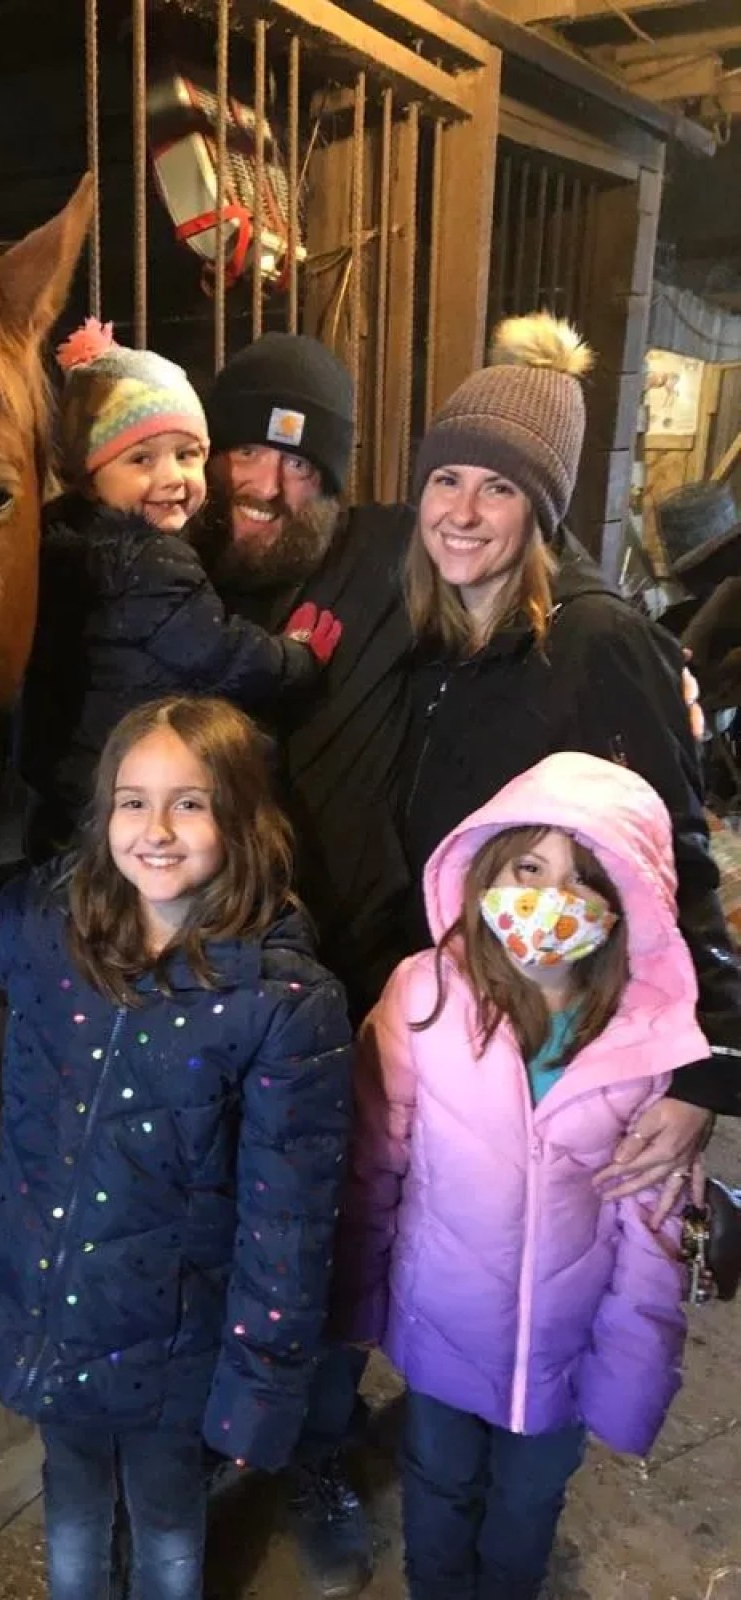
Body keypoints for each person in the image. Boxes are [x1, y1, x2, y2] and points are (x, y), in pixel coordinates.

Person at [0, 695, 353, 1600]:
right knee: (70, 1499)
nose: (156, 828)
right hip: (53, 1318)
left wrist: (258, 1389)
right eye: (132, 799)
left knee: (165, 1525)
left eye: (190, 803)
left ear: (243, 818)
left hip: (174, 1359)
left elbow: (289, 1228)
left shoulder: (282, 1004)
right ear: (103, 812)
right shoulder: (52, 928)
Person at [399, 311, 741, 1238]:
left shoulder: (601, 644)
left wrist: (707, 1076)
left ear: (541, 512)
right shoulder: (439, 638)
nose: (461, 513)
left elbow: (678, 850)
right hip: (466, 1030)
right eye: (446, 479)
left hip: (566, 1042)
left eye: (499, 488)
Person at [343, 751, 706, 1599]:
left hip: (566, 1355)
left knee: (531, 1501)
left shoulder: (645, 1044)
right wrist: (353, 1293)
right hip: (440, 1331)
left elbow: (649, 1231)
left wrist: (632, 1371)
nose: (551, 897)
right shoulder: (421, 1001)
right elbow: (375, 1162)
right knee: (436, 1482)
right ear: (487, 875)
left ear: (625, 909)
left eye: (585, 879)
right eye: (530, 866)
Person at [198, 332, 414, 1595]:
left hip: (354, 984)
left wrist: (625, 640)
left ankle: (322, 1449)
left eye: (298, 464)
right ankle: (200, 1457)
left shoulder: (391, 553)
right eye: (246, 451)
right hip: (203, 985)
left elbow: (522, 553)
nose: (266, 486)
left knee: (330, 1240)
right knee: (203, 1229)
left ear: (333, 478)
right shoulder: (174, 568)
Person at [18, 319, 340, 854]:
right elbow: (218, 653)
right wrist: (297, 657)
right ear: (88, 475)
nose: (171, 477)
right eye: (141, 459)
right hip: (137, 796)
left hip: (72, 791)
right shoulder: (150, 557)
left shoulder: (61, 543)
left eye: (187, 455)